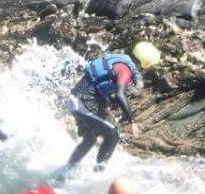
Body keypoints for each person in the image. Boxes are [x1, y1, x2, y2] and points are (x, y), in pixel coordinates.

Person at [60, 41, 161, 175]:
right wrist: (132, 122)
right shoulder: (126, 70)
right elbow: (119, 94)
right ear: (145, 63)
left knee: (90, 138)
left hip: (79, 99)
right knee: (113, 134)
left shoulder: (119, 59)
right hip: (82, 103)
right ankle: (98, 173)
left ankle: (66, 172)